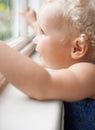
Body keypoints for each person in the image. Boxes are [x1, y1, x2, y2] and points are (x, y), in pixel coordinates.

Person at [0, 0, 95, 129]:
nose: (35, 40)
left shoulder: (89, 73)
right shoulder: (77, 63)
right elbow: (56, 44)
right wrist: (35, 24)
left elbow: (44, 84)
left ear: (77, 48)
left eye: (43, 32)